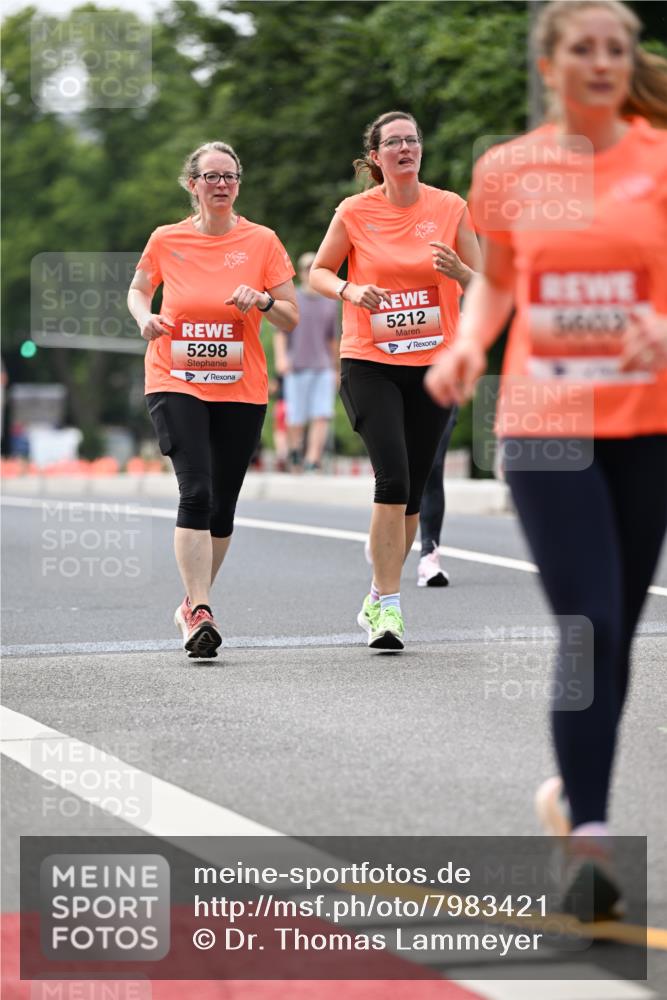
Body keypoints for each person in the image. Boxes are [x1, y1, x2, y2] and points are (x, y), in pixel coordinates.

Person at [426, 0, 667, 915]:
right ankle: (591, 846)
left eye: (615, 48)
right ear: (549, 64)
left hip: (646, 422)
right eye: (582, 48)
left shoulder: (657, 160)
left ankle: (571, 796)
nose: (601, 61)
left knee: (618, 631)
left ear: (627, 63)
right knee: (587, 626)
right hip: (547, 423)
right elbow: (498, 280)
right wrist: (467, 345)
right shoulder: (509, 169)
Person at [310, 110, 481, 650]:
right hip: (370, 362)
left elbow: (488, 284)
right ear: (376, 156)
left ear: (420, 150)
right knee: (392, 479)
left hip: (433, 367)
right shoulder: (355, 211)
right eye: (394, 142)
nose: (406, 148)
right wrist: (350, 290)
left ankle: (375, 595)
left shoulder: (449, 207)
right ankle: (389, 607)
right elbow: (318, 272)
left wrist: (461, 274)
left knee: (411, 493)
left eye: (412, 140)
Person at [128, 141, 297, 658]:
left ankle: (190, 604)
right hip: (174, 377)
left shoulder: (262, 241)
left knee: (222, 505)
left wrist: (263, 300)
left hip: (240, 386)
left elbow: (291, 315)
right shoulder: (167, 238)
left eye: (230, 176)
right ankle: (201, 610)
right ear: (193, 185)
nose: (221, 184)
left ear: (238, 185)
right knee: (196, 491)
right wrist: (145, 318)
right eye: (211, 177)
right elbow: (138, 289)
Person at [274, 251, 339, 472]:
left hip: (322, 365)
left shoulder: (330, 302)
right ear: (301, 272)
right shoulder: (294, 299)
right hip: (297, 365)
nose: (309, 272)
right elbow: (281, 333)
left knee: (322, 414)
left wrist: (336, 368)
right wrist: (281, 358)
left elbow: (332, 338)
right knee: (296, 416)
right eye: (306, 268)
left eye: (314, 267)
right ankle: (294, 451)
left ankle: (313, 458)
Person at [417, 406, 458, 587]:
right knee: (399, 467)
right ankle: (383, 533)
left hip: (441, 395)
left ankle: (429, 556)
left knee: (433, 464)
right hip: (396, 391)